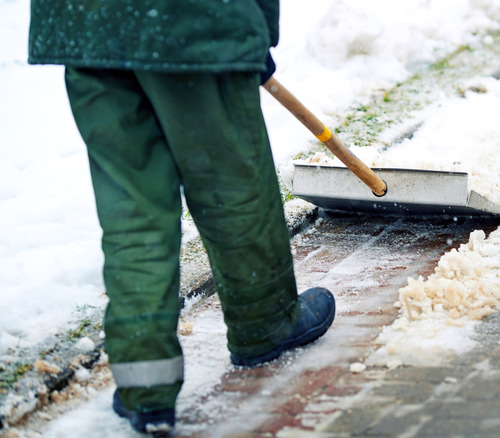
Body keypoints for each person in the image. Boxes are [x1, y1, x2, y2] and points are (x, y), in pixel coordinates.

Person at [28, 0, 336, 434]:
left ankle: (146, 385)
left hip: (89, 24)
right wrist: (256, 33)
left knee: (134, 212)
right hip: (196, 21)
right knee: (231, 183)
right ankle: (264, 323)